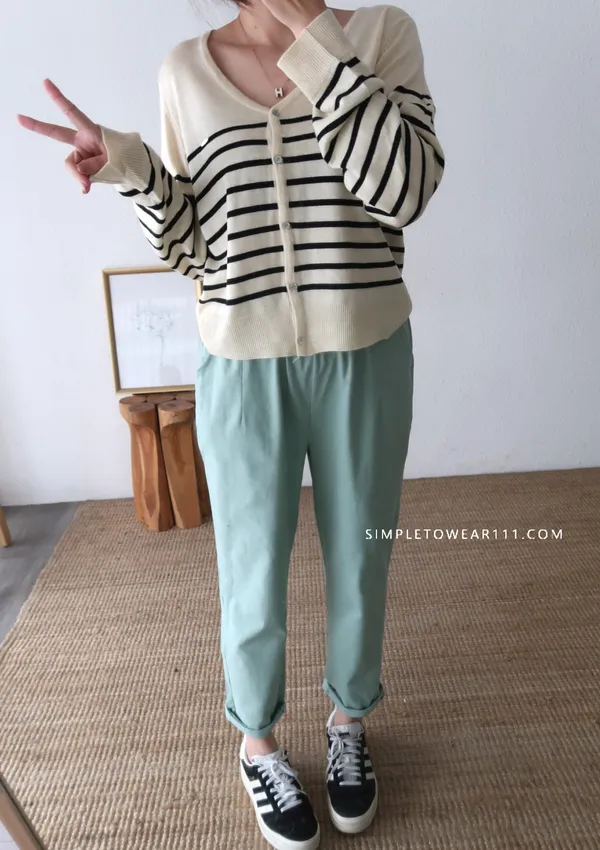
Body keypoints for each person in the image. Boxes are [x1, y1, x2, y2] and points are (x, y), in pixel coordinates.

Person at [17, 1, 444, 847]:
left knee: (362, 556)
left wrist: (319, 43)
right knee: (250, 568)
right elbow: (195, 248)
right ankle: (258, 742)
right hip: (241, 363)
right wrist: (133, 168)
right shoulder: (186, 69)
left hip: (365, 351)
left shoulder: (380, 36)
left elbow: (404, 191)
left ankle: (349, 722)